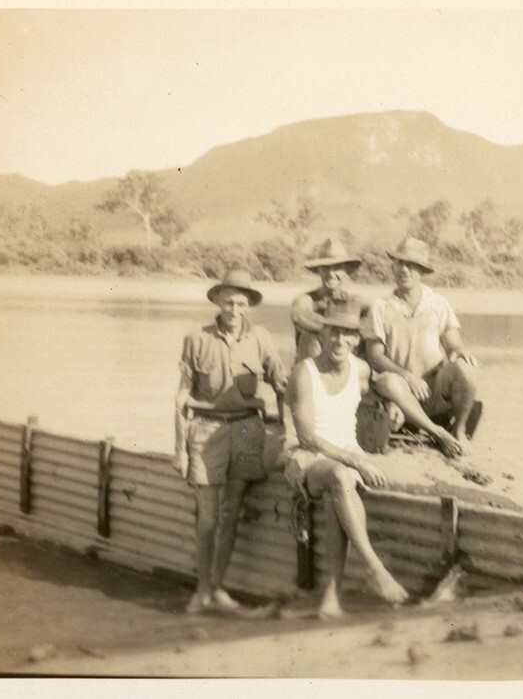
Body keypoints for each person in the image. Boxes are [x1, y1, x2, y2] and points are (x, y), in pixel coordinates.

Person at [285, 300, 410, 617]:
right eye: (333, 333)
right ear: (322, 335)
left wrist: (390, 404)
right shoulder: (305, 372)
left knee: (336, 495)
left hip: (344, 456)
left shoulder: (361, 369)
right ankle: (373, 567)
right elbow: (307, 436)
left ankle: (331, 598)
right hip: (308, 458)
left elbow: (375, 392)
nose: (340, 341)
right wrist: (357, 462)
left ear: (357, 340)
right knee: (341, 477)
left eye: (348, 334)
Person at [173, 269, 288, 613]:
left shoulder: (262, 338)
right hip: (206, 429)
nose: (234, 309)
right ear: (217, 301)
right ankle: (203, 590)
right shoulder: (197, 338)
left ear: (248, 306)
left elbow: (281, 385)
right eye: (228, 301)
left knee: (232, 512)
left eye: (241, 302)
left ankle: (218, 588)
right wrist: (179, 449)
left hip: (246, 430)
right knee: (208, 517)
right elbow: (180, 398)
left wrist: (288, 430)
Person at [365, 236, 479, 457]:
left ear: (422, 271)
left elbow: (452, 342)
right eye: (399, 263)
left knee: (467, 368)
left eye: (411, 265)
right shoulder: (381, 306)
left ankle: (459, 429)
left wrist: (459, 350)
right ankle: (437, 432)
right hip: (401, 392)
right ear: (393, 266)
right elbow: (374, 355)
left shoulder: (438, 303)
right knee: (388, 381)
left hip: (434, 388)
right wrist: (408, 377)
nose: (404, 270)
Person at [290, 236, 365, 360]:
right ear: (318, 271)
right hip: (311, 361)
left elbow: (376, 307)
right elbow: (297, 316)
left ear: (345, 271)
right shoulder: (307, 299)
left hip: (342, 359)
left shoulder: (352, 300)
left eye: (337, 268)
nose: (331, 274)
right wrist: (335, 329)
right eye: (326, 268)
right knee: (311, 337)